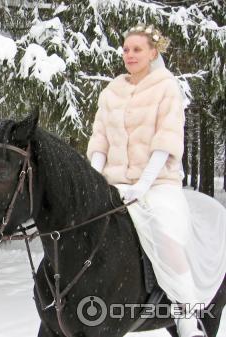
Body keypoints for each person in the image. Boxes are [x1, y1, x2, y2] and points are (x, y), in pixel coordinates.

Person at [87, 24, 226, 337]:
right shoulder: (112, 91)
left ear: (153, 52)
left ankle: (189, 321)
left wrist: (144, 184)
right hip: (115, 184)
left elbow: (166, 142)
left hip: (159, 184)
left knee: (168, 243)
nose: (130, 55)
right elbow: (100, 141)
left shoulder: (166, 87)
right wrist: (96, 180)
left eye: (137, 49)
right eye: (126, 49)